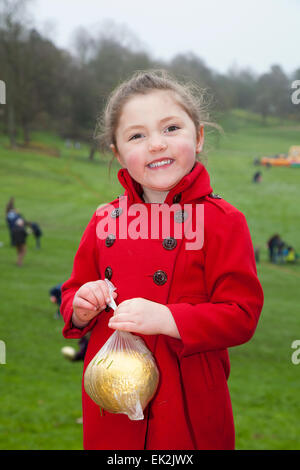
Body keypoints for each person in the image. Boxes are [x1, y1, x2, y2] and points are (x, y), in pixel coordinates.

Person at [61, 70, 264, 450]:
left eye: (171, 128)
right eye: (137, 135)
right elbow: (73, 291)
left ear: (198, 136)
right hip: (116, 399)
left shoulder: (223, 221)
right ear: (118, 153)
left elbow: (242, 314)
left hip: (188, 403)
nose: (156, 144)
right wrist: (81, 306)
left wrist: (168, 318)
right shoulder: (105, 219)